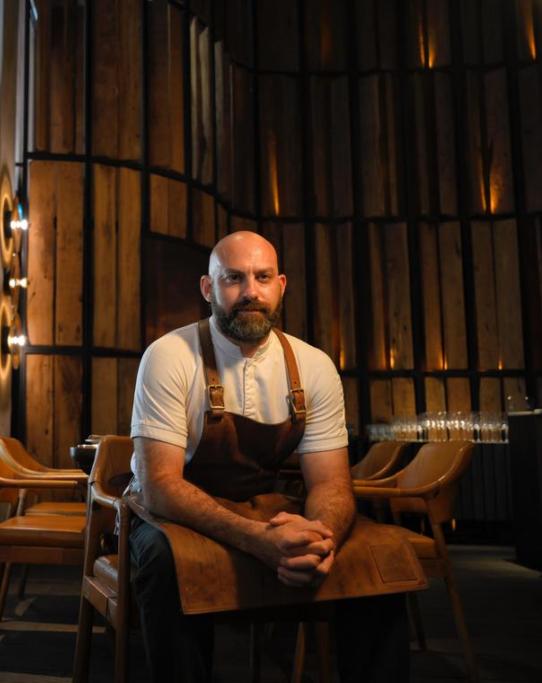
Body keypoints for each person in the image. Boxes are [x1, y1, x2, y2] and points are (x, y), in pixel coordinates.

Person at [128, 231, 409, 682]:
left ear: (281, 286)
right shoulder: (168, 356)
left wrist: (320, 537)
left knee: (381, 553)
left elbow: (331, 483)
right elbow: (159, 486)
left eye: (262, 278)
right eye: (233, 278)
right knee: (163, 562)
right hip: (173, 514)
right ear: (208, 288)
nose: (250, 292)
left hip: (264, 507)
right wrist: (256, 539)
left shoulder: (313, 366)